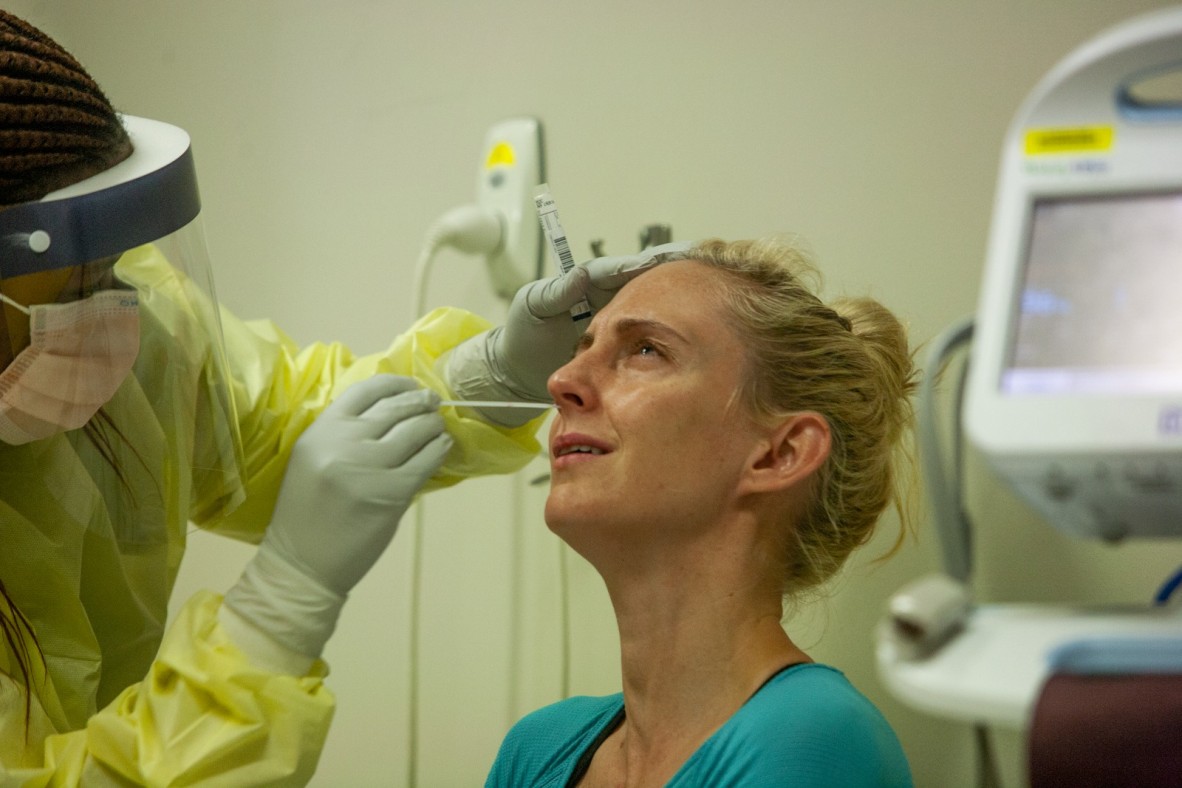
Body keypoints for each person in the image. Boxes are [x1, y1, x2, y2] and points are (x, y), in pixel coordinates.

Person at [0, 11, 680, 785]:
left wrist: (491, 375)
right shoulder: (550, 748)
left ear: (783, 450)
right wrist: (275, 613)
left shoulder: (796, 734)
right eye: (81, 282)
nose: (114, 306)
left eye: (655, 351)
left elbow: (264, 426)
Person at [486, 237, 919, 786]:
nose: (560, 381)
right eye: (580, 349)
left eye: (646, 350)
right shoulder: (537, 748)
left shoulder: (812, 742)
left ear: (782, 453)